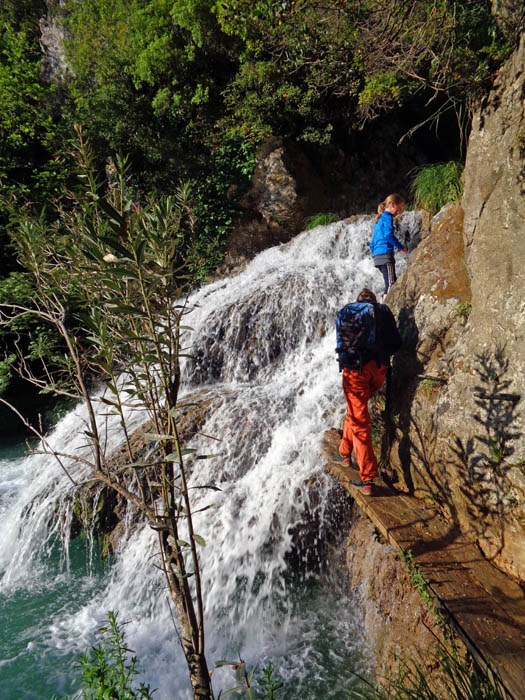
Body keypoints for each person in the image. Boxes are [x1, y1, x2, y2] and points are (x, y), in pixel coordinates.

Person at [338, 288, 402, 496]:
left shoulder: (347, 312)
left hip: (354, 372)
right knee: (356, 412)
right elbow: (396, 344)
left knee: (359, 421)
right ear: (373, 300)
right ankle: (345, 452)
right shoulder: (382, 311)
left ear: (357, 301)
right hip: (378, 371)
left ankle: (367, 478)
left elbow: (341, 346)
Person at [369, 193, 407, 301]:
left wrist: (376, 254)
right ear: (392, 204)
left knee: (390, 282)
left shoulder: (378, 221)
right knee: (391, 285)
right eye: (399, 209)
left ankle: (384, 307)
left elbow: (372, 244)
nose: (399, 213)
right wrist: (401, 247)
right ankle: (385, 308)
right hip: (386, 256)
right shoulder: (387, 218)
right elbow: (388, 235)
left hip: (377, 257)